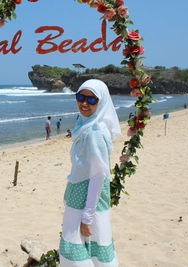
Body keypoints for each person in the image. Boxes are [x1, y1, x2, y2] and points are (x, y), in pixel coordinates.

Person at [59, 79, 121, 266]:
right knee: (90, 252)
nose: (84, 103)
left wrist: (87, 217)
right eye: (80, 97)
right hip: (80, 198)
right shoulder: (86, 123)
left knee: (78, 254)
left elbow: (98, 176)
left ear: (100, 102)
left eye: (92, 100)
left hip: (87, 203)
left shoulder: (94, 131)